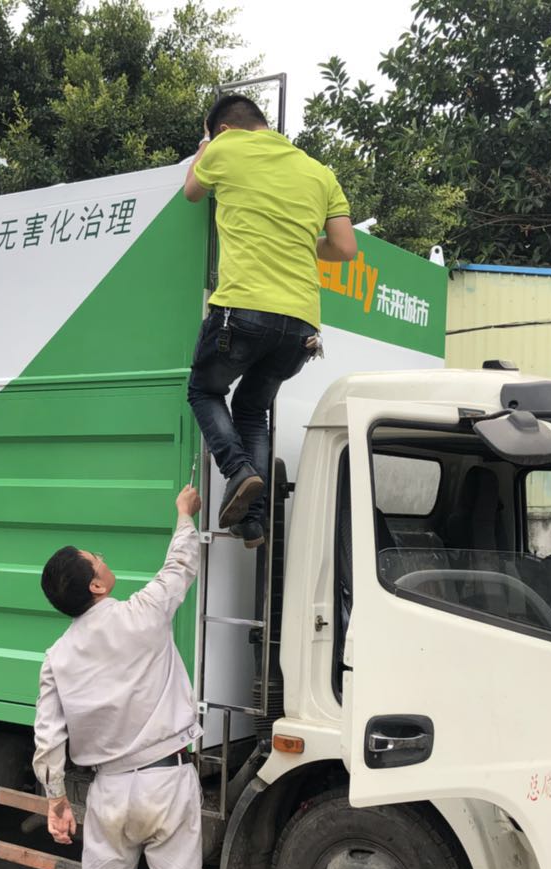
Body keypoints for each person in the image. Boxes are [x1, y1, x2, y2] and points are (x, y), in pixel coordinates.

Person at [33, 484, 211, 869]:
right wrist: (184, 515)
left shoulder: (57, 656)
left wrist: (56, 800)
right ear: (97, 585)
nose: (104, 560)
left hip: (107, 794)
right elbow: (180, 565)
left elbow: (48, 737)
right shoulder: (141, 618)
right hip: (168, 781)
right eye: (97, 559)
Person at [183, 93, 357, 548]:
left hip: (242, 310)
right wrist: (300, 241)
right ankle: (252, 521)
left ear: (223, 129)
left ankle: (237, 471)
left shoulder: (224, 147)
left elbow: (191, 191)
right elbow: (344, 248)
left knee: (203, 390)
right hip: (301, 325)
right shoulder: (320, 173)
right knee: (252, 409)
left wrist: (205, 145)